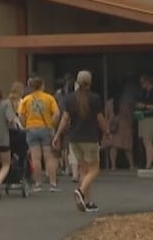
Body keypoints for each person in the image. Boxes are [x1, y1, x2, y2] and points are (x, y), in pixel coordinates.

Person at [56, 71, 109, 213]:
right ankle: (80, 191)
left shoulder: (69, 99)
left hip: (74, 139)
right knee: (94, 169)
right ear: (90, 83)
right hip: (90, 138)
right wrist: (107, 132)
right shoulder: (95, 98)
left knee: (83, 170)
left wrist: (57, 135)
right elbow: (100, 119)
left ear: (77, 83)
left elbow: (65, 119)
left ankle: (87, 201)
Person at [18, 77, 60, 192]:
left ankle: (37, 183)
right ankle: (52, 183)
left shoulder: (27, 99)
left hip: (31, 128)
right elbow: (56, 114)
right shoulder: (49, 98)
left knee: (35, 157)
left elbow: (21, 115)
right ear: (42, 86)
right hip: (45, 128)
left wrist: (25, 125)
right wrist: (52, 125)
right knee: (49, 157)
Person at [107, 87, 135, 171]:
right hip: (125, 126)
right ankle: (131, 165)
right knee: (127, 147)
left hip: (113, 126)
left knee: (113, 147)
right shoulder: (125, 103)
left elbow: (106, 115)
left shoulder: (108, 103)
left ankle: (113, 166)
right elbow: (129, 116)